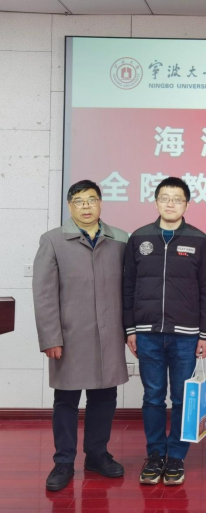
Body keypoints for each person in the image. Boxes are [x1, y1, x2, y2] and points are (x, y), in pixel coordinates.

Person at [33, 180, 129, 492]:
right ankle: (63, 461)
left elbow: (130, 290)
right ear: (69, 206)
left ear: (100, 203)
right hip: (70, 336)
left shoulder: (120, 240)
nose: (86, 206)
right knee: (66, 399)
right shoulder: (53, 241)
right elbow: (44, 294)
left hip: (109, 333)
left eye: (91, 200)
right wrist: (50, 337)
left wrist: (129, 330)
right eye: (78, 201)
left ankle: (97, 455)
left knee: (105, 397)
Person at [124, 177, 206, 486]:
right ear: (155, 202)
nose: (170, 203)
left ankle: (176, 456)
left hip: (186, 335)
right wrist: (130, 329)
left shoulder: (200, 241)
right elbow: (127, 287)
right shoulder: (139, 238)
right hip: (147, 332)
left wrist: (205, 334)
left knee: (181, 397)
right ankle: (155, 455)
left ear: (186, 204)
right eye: (165, 198)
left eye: (177, 199)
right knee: (153, 397)